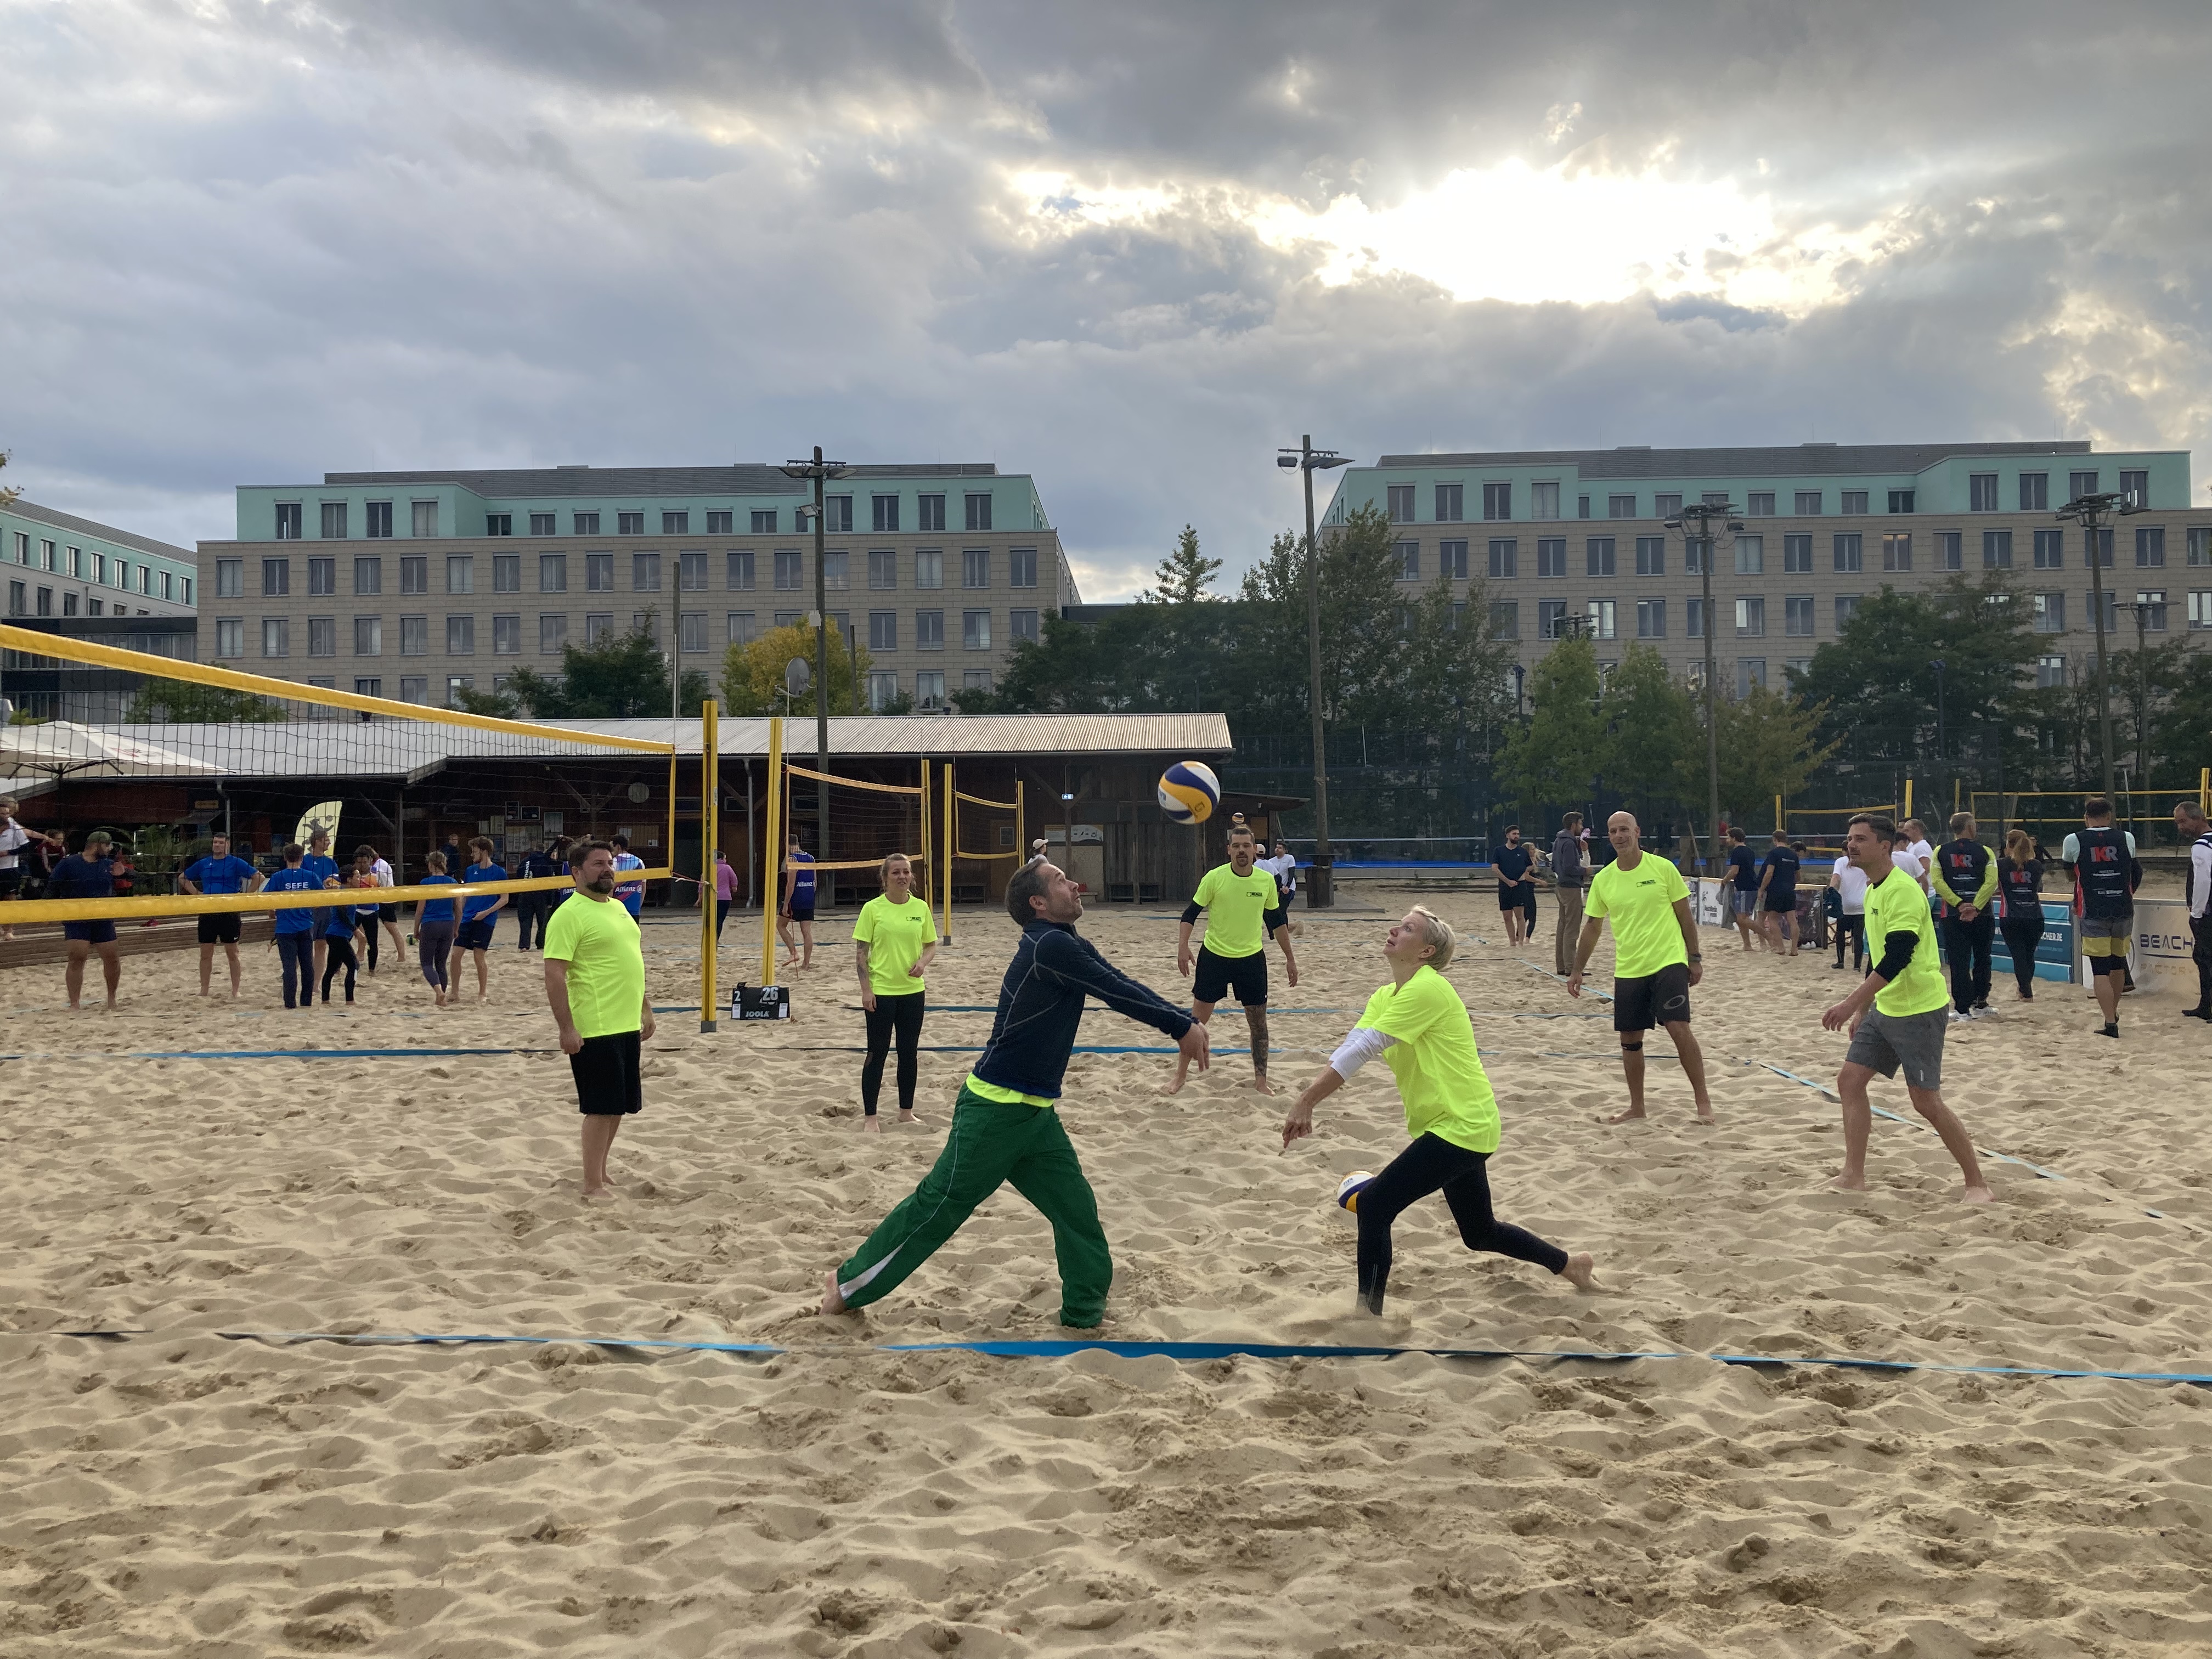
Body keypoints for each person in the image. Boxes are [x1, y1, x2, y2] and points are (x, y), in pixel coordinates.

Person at [821, 857, 1210, 1328]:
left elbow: (1117, 979)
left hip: (1036, 1114)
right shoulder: (1047, 947)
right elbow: (1113, 991)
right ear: (1039, 903)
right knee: (939, 1208)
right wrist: (1180, 1026)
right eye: (1061, 881)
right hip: (994, 1110)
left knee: (1076, 1211)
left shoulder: (1062, 941)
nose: (1074, 884)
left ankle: (1084, 1313)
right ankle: (846, 1286)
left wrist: (1183, 1023)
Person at [1282, 905, 1597, 1313]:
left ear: (1427, 951)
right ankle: (1572, 1265)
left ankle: (1366, 1317)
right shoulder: (1386, 995)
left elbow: (1365, 1049)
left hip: (1461, 1126)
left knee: (1376, 1206)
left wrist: (1307, 1101)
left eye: (1408, 928)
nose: (1395, 929)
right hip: (1453, 1125)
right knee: (1480, 1232)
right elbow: (1352, 1044)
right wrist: (1308, 1098)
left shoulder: (1427, 989)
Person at [1820, 814, 1994, 1203]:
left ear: (1884, 847)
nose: (1851, 845)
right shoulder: (1873, 889)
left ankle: (1977, 1184)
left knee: (1925, 1101)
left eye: (1860, 839)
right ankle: (1853, 1175)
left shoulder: (1902, 890)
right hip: (1887, 1006)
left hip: (1918, 1007)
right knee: (1849, 1081)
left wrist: (1851, 1004)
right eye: (1849, 839)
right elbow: (1876, 956)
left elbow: (1898, 957)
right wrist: (1865, 1009)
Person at [1568, 811, 1714, 1124]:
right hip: (1630, 967)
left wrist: (1695, 957)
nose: (1619, 836)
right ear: (1608, 837)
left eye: (1624, 830)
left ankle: (1703, 1103)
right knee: (1630, 1039)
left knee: (1678, 1027)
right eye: (1613, 832)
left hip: (1668, 959)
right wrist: (1577, 969)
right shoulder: (1604, 878)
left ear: (1637, 832)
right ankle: (1637, 1107)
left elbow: (1685, 916)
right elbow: (1592, 926)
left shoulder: (1662, 869)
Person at [544, 840, 655, 1200]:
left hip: (625, 1023)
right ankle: (591, 1183)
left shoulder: (619, 908)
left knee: (618, 1105)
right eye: (597, 864)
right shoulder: (568, 914)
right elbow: (555, 974)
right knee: (599, 1108)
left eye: (610, 863)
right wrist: (567, 1029)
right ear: (576, 872)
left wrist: (646, 1008)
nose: (607, 869)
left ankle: (602, 1172)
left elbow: (629, 961)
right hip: (595, 1025)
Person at [1171, 822, 1299, 1095]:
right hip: (1214, 957)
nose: (1242, 851)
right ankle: (1179, 1076)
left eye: (1247, 846)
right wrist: (1183, 947)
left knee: (1258, 1024)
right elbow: (1190, 914)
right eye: (1237, 846)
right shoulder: (1215, 878)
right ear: (1229, 850)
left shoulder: (1265, 881)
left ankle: (1261, 1082)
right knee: (1195, 1023)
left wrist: (1290, 958)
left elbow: (1276, 922)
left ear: (1255, 850)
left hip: (1251, 960)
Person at [853, 851, 938, 1131]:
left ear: (912, 877)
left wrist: (923, 963)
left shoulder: (921, 908)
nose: (902, 876)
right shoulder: (873, 909)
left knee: (908, 1052)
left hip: (913, 991)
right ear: (885, 878)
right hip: (882, 991)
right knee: (876, 1053)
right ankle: (871, 1118)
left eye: (906, 872)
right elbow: (861, 954)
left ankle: (905, 1111)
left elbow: (930, 945)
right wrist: (867, 991)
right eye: (896, 872)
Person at [2062, 797, 2139, 1039]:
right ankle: (2113, 1012)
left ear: (2086, 817)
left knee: (2100, 970)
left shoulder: (2074, 840)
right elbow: (2136, 871)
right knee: (2118, 964)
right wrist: (2128, 892)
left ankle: (2109, 1021)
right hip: (2123, 908)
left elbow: (2069, 875)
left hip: (2094, 909)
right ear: (2109, 815)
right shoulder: (2126, 837)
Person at [179, 832, 263, 998]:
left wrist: (246, 896)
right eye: (215, 842)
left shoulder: (236, 863)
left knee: (233, 953)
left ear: (227, 845)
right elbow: (182, 878)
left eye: (220, 843)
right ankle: (204, 990)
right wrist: (197, 894)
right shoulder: (204, 863)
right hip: (208, 911)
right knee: (205, 953)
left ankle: (235, 991)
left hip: (229, 912)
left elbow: (259, 877)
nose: (217, 845)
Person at [1931, 811, 1997, 1020]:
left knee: (1959, 962)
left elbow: (1937, 882)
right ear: (1969, 826)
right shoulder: (1985, 851)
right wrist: (1975, 907)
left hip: (1953, 914)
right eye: (1975, 825)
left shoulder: (1940, 851)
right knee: (1982, 958)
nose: (1976, 828)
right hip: (1982, 914)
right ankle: (1980, 1002)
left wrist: (1959, 904)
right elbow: (1992, 882)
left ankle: (1962, 1009)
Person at [48, 831, 123, 1011]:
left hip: (103, 918)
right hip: (76, 918)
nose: (110, 849)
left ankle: (112, 999)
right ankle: (74, 1003)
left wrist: (124, 875)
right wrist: (47, 912)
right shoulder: (69, 863)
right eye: (107, 845)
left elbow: (134, 877)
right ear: (96, 845)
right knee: (77, 958)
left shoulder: (109, 865)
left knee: (112, 958)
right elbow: (52, 887)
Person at [261, 844, 324, 1012]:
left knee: (289, 967)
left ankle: (290, 1003)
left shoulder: (278, 877)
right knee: (307, 965)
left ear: (285, 858)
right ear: (302, 858)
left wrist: (271, 910)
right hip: (305, 926)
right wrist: (311, 908)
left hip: (284, 928)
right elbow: (323, 898)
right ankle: (306, 1002)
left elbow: (266, 899)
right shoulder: (310, 876)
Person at [454, 836, 509, 1003]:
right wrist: (459, 916)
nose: (472, 854)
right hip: (467, 918)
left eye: (475, 851)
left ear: (484, 852)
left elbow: (504, 899)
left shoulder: (499, 872)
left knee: (479, 957)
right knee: (456, 955)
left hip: (486, 919)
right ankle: (454, 992)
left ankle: (482, 993)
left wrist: (486, 912)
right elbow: (465, 896)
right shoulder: (471, 871)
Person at [0, 799, 63, 939]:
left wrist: (44, 837)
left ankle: (9, 930)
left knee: (10, 899)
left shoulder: (13, 826)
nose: (6, 815)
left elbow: (26, 837)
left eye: (9, 812)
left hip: (9, 867)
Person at [1996, 830, 2046, 1001]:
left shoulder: (2001, 865)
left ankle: (2026, 991)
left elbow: (1995, 888)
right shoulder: (2037, 865)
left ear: (2008, 845)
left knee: (2018, 956)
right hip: (2034, 914)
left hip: (2011, 915)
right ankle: (2025, 989)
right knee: (2029, 955)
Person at [2176, 800, 2212, 1022]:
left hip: (2207, 913)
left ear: (2198, 818)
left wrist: (2197, 912)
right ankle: (2205, 1004)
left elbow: (2202, 881)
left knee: (2205, 958)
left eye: (2183, 821)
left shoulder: (2201, 846)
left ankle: (2206, 1005)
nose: (2180, 827)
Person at [416, 849, 460, 1006]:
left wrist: (416, 929)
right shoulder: (453, 883)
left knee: (427, 964)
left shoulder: (425, 883)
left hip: (430, 924)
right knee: (441, 964)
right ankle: (440, 999)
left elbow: (420, 910)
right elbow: (459, 909)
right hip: (448, 924)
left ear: (430, 865)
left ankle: (439, 992)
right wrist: (456, 928)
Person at [300, 828, 340, 997]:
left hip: (326, 909)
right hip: (308, 910)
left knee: (322, 946)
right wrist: (319, 885)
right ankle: (298, 980)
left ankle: (316, 984)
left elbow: (338, 885)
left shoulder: (331, 863)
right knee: (305, 947)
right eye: (326, 840)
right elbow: (300, 883)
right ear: (316, 841)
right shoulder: (305, 861)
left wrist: (332, 885)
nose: (329, 843)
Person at [1549, 812, 1588, 977]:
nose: (1581, 827)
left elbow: (1555, 867)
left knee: (1563, 927)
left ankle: (1561, 965)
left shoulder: (1558, 841)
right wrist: (1585, 871)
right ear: (1574, 825)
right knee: (1572, 929)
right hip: (1571, 887)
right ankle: (1571, 967)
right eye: (1580, 824)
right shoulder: (1570, 843)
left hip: (1561, 887)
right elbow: (1570, 868)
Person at [320, 883, 368, 1006]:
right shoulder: (343, 893)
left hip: (337, 935)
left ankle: (325, 1000)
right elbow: (342, 916)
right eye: (356, 877)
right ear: (349, 879)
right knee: (354, 966)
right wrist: (356, 931)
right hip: (337, 935)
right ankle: (350, 1000)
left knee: (332, 968)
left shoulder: (350, 893)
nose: (359, 879)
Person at [1756, 830, 1802, 956]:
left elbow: (1769, 873)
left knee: (1772, 919)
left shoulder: (1773, 853)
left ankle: (1780, 947)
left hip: (1775, 890)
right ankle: (1794, 949)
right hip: (1790, 890)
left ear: (1775, 839)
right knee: (1792, 919)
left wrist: (1761, 889)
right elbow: (1798, 876)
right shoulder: (1793, 855)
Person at [514, 837, 563, 951]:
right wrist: (551, 900)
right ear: (544, 851)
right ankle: (541, 944)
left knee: (525, 921)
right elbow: (550, 881)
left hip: (524, 893)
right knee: (542, 921)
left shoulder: (524, 861)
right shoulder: (545, 862)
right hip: (541, 895)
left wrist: (518, 895)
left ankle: (524, 945)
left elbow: (518, 877)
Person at [1827, 844, 1867, 973]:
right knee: (1858, 936)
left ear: (1844, 851)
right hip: (1861, 905)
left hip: (1845, 905)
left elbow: (1836, 878)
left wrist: (1831, 891)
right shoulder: (1865, 862)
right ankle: (1857, 966)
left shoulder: (1840, 862)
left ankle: (1841, 962)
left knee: (1840, 934)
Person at [778, 832, 816, 968]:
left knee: (781, 925)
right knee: (806, 931)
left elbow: (791, 884)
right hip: (809, 897)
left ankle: (793, 952)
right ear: (798, 843)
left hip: (796, 898)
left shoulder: (793, 859)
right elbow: (815, 882)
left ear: (787, 845)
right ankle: (806, 964)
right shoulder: (811, 858)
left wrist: (786, 904)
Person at [1492, 825, 1533, 947]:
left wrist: (1523, 873)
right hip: (1505, 887)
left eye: (1518, 834)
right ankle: (1512, 942)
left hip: (1519, 886)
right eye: (1514, 834)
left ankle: (1521, 942)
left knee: (1520, 915)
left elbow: (1531, 866)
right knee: (1507, 916)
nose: (1517, 836)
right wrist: (1507, 881)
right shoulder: (1499, 851)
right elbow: (1495, 868)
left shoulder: (1522, 852)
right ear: (1508, 835)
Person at [363, 844, 404, 964]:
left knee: (392, 928)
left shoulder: (379, 868)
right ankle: (361, 952)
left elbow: (381, 886)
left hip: (386, 901)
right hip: (384, 899)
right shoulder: (380, 864)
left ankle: (402, 956)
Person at [1724, 827, 1763, 951]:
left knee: (1742, 919)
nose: (1726, 840)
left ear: (1734, 838)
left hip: (1745, 887)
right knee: (1742, 918)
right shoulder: (1750, 851)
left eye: (1728, 837)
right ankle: (1747, 945)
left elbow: (1734, 871)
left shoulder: (1737, 852)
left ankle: (1768, 936)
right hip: (1750, 886)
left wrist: (1725, 880)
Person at [1258, 838, 1301, 935]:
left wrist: (1288, 886)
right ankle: (1277, 929)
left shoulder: (1289, 858)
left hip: (1289, 888)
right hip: (1278, 888)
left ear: (1284, 850)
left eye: (1280, 848)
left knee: (1282, 909)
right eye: (1276, 847)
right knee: (1275, 910)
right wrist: (1280, 887)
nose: (1277, 849)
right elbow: (1274, 876)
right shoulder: (1271, 861)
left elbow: (1291, 873)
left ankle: (1284, 930)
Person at [611, 834, 647, 922]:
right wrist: (638, 907)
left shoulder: (613, 862)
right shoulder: (639, 862)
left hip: (617, 908)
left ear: (618, 847)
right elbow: (643, 889)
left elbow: (610, 888)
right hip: (634, 909)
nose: (611, 851)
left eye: (612, 847)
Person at [706, 849, 737, 941]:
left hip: (711, 897)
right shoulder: (727, 868)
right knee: (720, 919)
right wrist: (734, 887)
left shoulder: (709, 868)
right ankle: (716, 938)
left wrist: (700, 898)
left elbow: (702, 882)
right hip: (724, 897)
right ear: (721, 858)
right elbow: (734, 879)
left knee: (711, 919)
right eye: (725, 858)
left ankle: (710, 938)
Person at [1902, 819, 1936, 892]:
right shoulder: (1911, 845)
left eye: (1907, 831)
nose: (1904, 833)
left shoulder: (1922, 847)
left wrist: (1913, 882)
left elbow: (1926, 868)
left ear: (1916, 830)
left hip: (1924, 891)